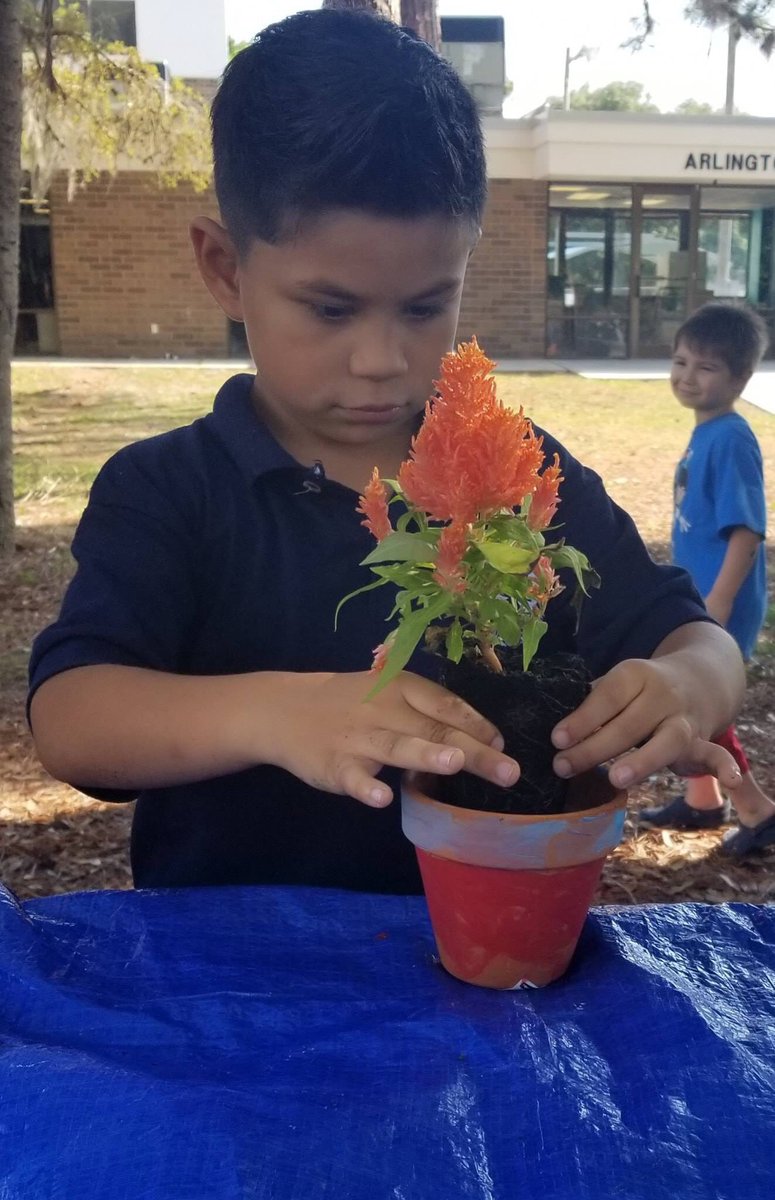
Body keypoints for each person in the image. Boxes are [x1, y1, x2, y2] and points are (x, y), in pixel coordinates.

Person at [27, 9, 744, 893]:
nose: (382, 360)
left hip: (494, 952)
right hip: (237, 978)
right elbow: (72, 716)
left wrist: (682, 684)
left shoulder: (514, 478)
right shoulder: (169, 491)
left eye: (422, 307)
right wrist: (277, 711)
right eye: (330, 309)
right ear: (224, 268)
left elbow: (696, 639)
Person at [641, 303, 775, 855]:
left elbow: (746, 532)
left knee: (702, 707)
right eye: (680, 361)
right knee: (688, 704)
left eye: (706, 367)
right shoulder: (709, 432)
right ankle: (702, 800)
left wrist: (716, 605)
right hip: (699, 596)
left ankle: (757, 810)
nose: (687, 377)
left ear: (741, 378)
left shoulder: (732, 439)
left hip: (720, 602)